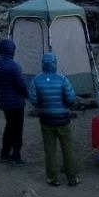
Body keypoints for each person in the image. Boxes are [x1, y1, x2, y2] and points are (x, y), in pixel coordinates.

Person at [28, 52, 79, 186]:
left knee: (49, 149)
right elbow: (71, 98)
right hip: (63, 119)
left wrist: (42, 106)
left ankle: (52, 178)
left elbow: (33, 99)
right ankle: (72, 177)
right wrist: (65, 106)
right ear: (55, 64)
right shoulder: (62, 79)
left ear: (43, 64)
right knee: (67, 148)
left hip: (46, 119)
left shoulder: (36, 80)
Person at [0, 39, 28, 165]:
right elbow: (21, 86)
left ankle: (5, 153)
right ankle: (16, 156)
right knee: (17, 129)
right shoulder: (14, 66)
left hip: (4, 102)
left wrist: (2, 91)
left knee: (9, 126)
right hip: (17, 103)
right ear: (12, 51)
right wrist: (27, 95)